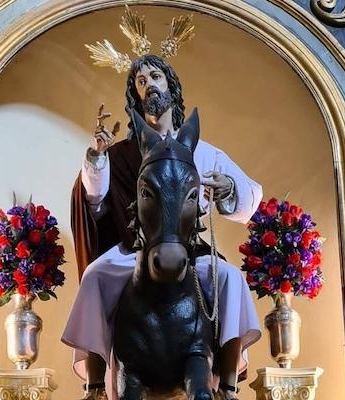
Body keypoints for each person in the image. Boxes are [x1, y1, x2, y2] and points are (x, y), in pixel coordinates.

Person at [62, 54, 262, 400]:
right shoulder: (121, 152)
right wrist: (97, 157)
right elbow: (94, 199)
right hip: (137, 252)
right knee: (94, 274)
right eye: (140, 82)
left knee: (230, 277)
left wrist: (228, 187)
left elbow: (251, 199)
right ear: (136, 96)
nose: (149, 85)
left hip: (189, 252)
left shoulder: (203, 151)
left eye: (155, 76)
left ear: (170, 86)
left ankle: (227, 386)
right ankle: (95, 385)